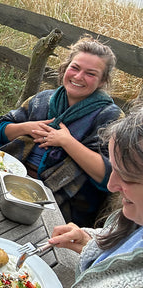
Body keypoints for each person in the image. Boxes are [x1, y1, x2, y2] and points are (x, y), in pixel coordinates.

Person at [0, 35, 124, 227]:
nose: (78, 77)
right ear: (65, 68)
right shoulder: (43, 99)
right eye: (74, 68)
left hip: (62, 209)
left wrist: (67, 141)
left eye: (90, 73)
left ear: (102, 81)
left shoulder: (110, 118)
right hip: (9, 182)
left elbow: (111, 175)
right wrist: (26, 127)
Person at [48, 106, 143, 287]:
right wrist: (91, 242)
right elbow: (127, 246)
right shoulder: (134, 218)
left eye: (127, 177)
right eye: (114, 168)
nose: (111, 186)